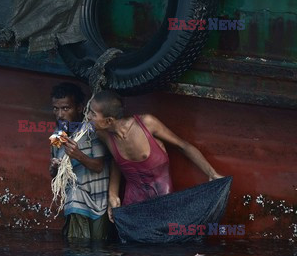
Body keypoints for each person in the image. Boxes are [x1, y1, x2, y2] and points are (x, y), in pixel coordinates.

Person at [88, 90, 223, 222]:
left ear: (108, 121)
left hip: (163, 200)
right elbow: (116, 161)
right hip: (132, 205)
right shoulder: (104, 135)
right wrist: (113, 195)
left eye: (93, 114)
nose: (88, 116)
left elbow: (183, 146)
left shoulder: (147, 124)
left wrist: (211, 173)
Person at [49, 82, 111, 240]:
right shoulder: (57, 135)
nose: (60, 114)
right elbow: (56, 176)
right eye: (56, 108)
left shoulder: (92, 131)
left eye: (65, 108)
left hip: (99, 201)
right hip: (75, 202)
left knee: (99, 247)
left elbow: (99, 166)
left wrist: (78, 155)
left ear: (79, 108)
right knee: (77, 248)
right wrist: (54, 168)